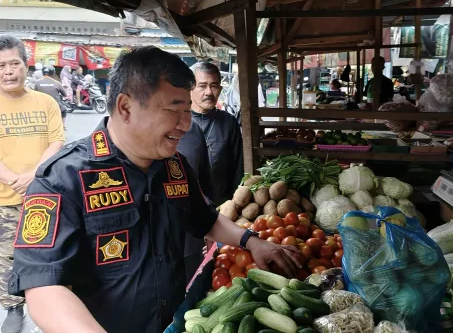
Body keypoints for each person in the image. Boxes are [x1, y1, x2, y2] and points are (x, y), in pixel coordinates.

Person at [8, 46, 300, 333]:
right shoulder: (62, 179)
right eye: (174, 108)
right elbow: (44, 288)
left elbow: (205, 219)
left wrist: (253, 242)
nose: (185, 124)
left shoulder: (175, 167)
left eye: (188, 110)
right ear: (125, 108)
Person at [0, 35, 64, 333]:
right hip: (4, 200)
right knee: (7, 257)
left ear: (26, 65)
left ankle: (47, 306)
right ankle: (13, 308)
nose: (8, 71)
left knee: (44, 255)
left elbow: (57, 141)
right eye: (1, 65)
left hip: (42, 196)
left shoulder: (46, 102)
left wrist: (32, 175)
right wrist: (13, 178)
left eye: (14, 63)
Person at [190, 62, 243, 205]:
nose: (208, 92)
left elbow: (237, 169)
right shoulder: (178, 121)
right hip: (186, 204)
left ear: (220, 89)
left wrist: (233, 204)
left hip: (221, 205)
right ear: (190, 88)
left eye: (213, 86)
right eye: (202, 86)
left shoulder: (229, 123)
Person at [177, 121, 215, 284]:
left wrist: (210, 228)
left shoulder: (192, 129)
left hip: (191, 243)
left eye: (187, 109)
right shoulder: (92, 165)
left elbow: (205, 185)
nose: (184, 118)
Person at [34, 66, 68, 130]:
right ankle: (63, 126)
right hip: (55, 105)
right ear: (53, 73)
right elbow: (65, 94)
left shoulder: (37, 82)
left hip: (41, 106)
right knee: (64, 110)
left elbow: (34, 94)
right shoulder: (57, 83)